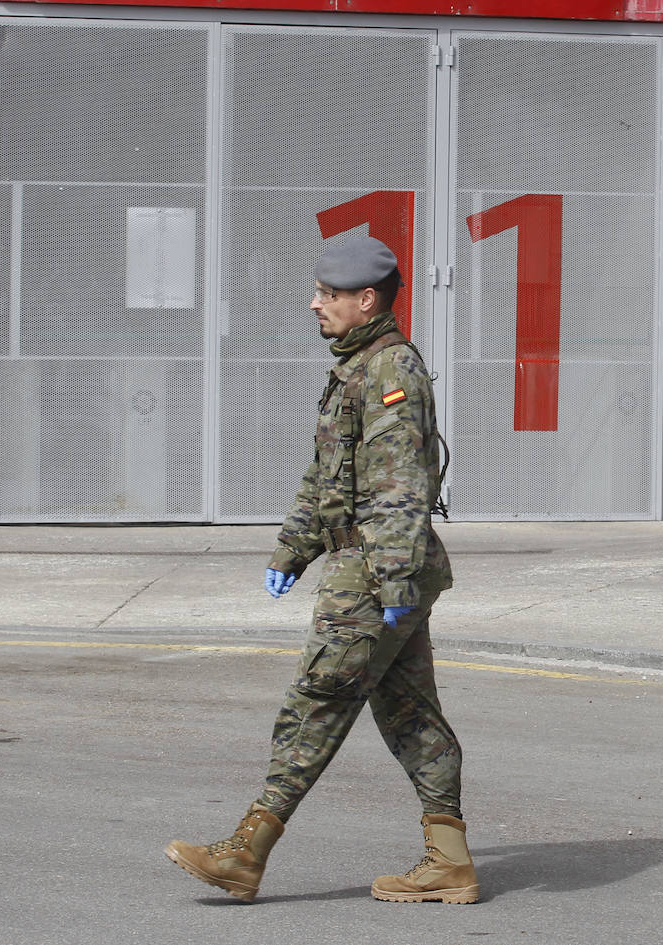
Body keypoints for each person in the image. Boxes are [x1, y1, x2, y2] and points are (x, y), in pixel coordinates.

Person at [165, 234, 478, 903]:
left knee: (316, 700)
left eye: (327, 295)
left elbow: (398, 488)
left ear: (365, 299)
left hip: (372, 571)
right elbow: (326, 476)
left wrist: (392, 581)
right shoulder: (356, 367)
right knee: (411, 714)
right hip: (377, 565)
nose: (315, 304)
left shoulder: (390, 371)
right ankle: (449, 860)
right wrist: (292, 548)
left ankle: (245, 853)